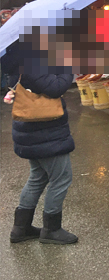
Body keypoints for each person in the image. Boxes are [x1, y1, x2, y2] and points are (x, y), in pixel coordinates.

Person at [3, 32, 77, 245]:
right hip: (45, 133)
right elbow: (55, 87)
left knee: (38, 177)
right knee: (61, 178)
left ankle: (21, 228)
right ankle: (52, 229)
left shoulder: (17, 58)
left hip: (31, 131)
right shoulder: (31, 60)